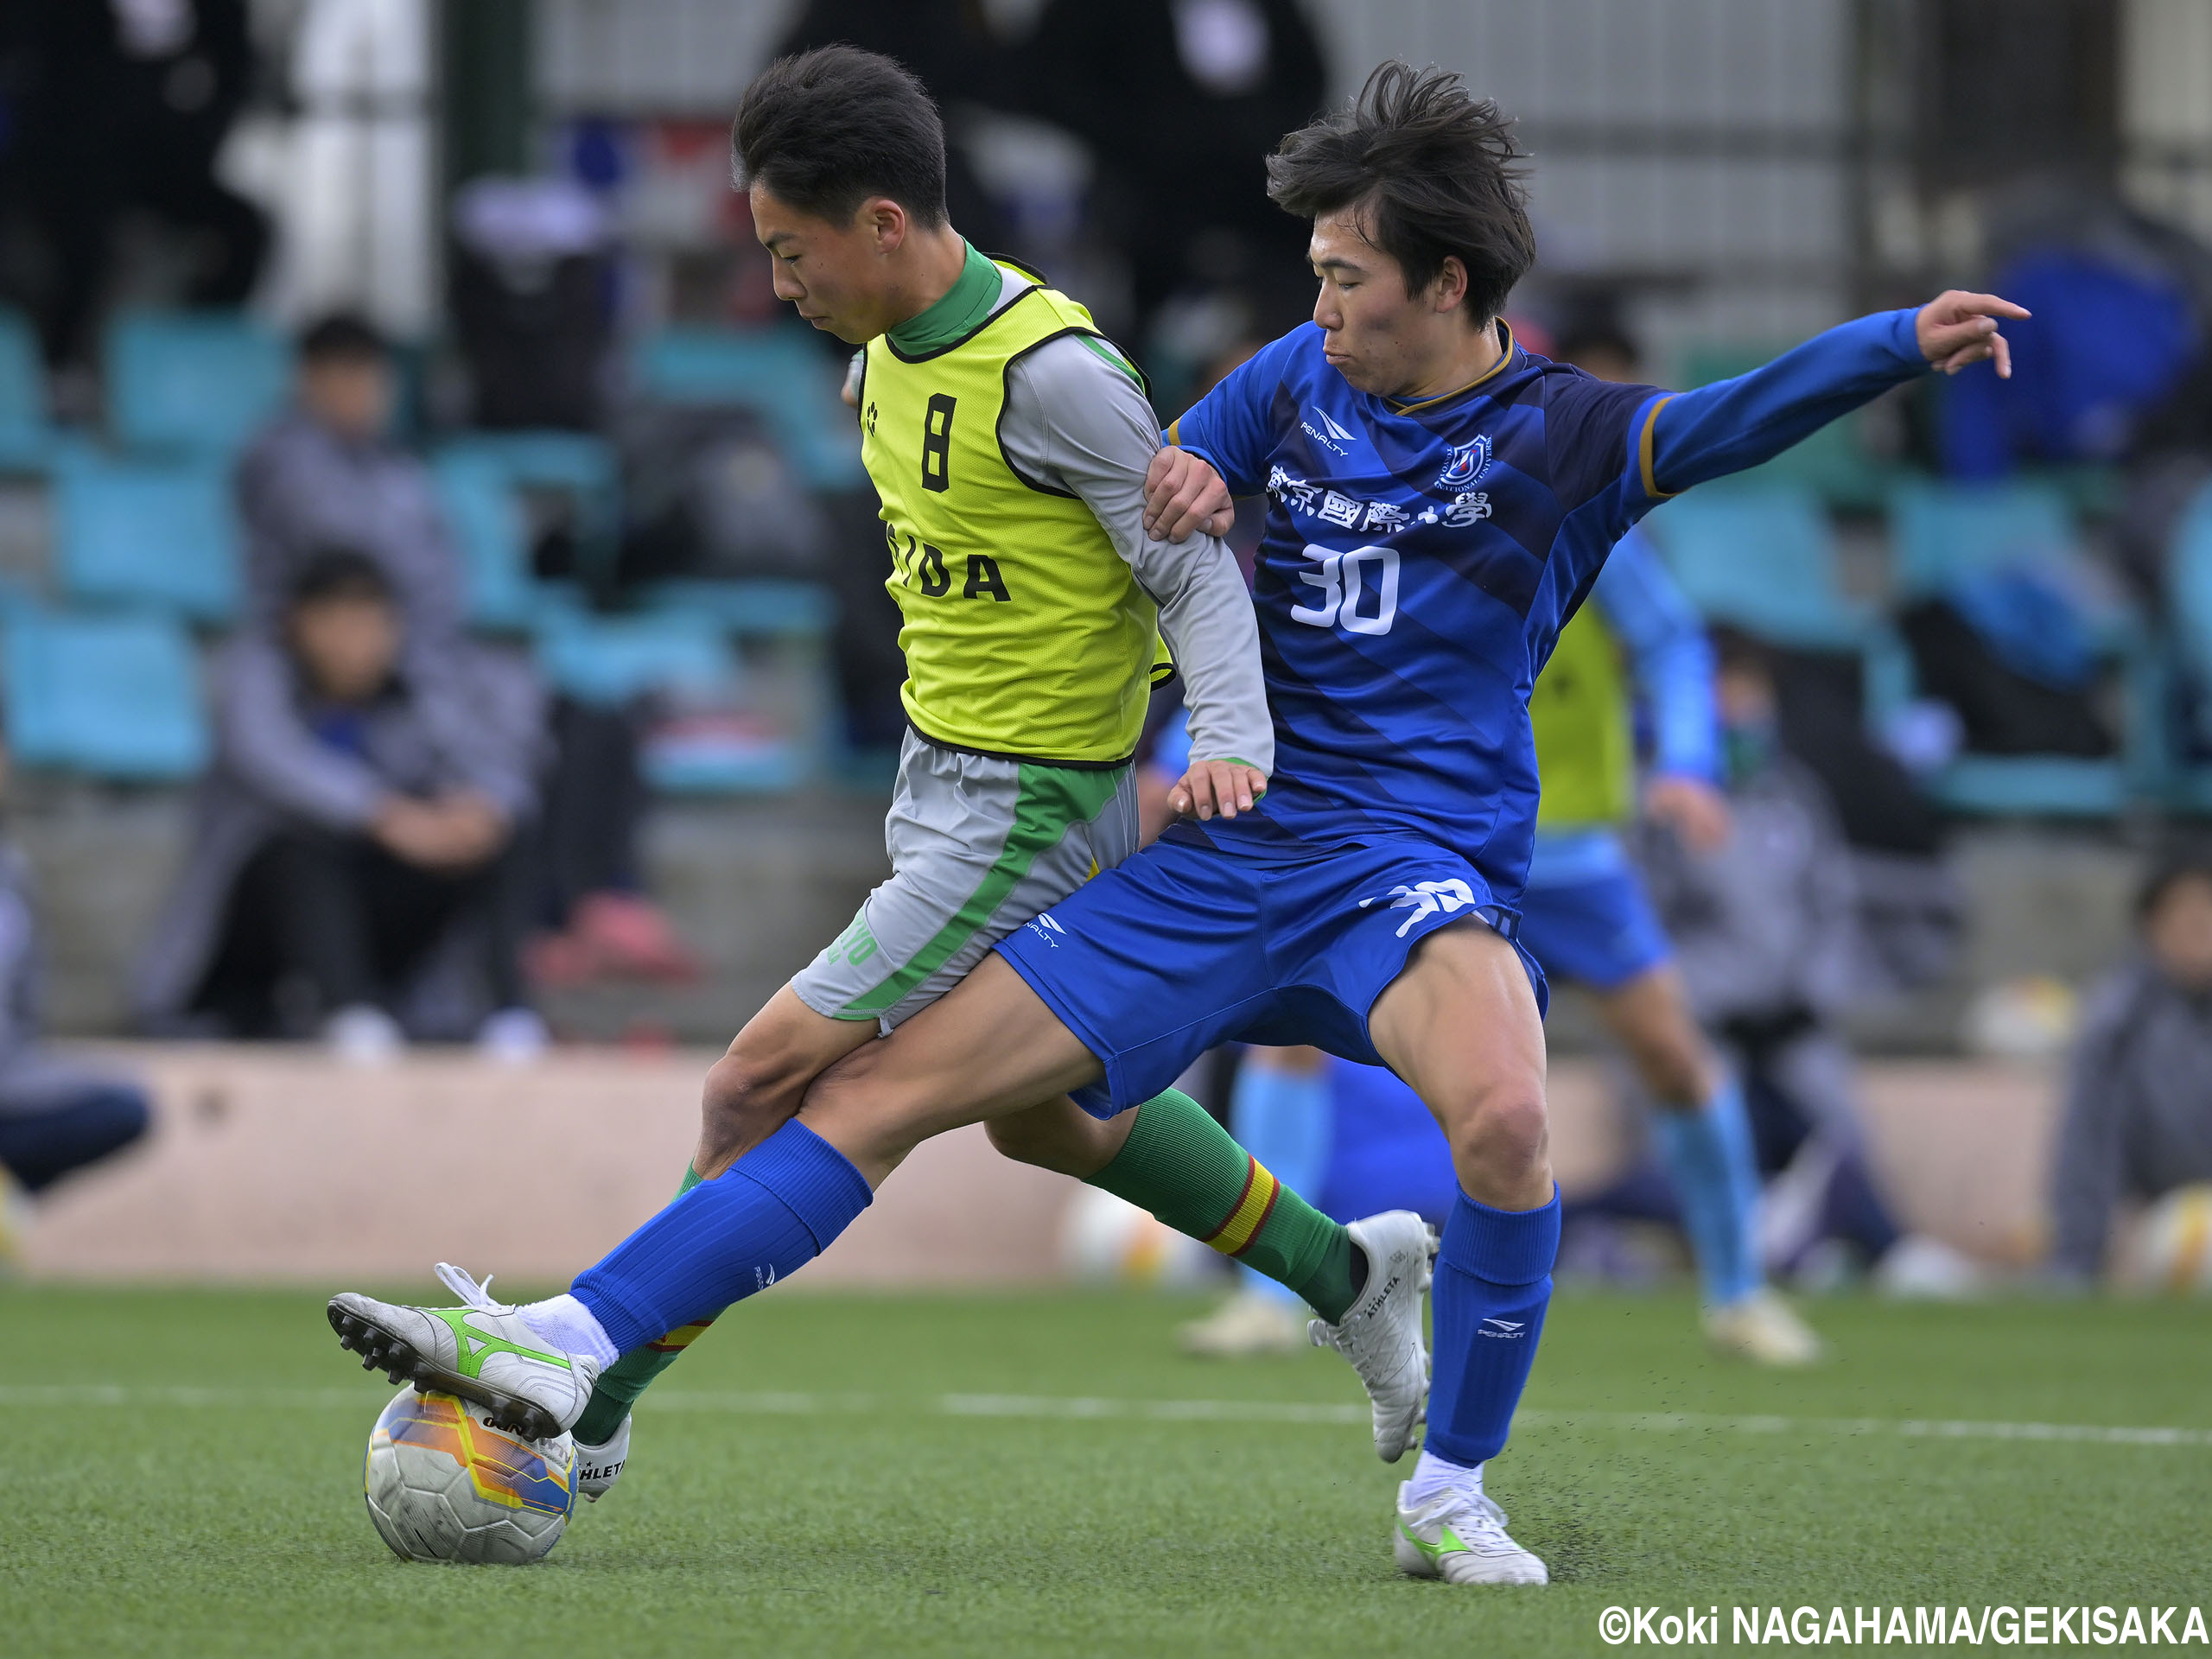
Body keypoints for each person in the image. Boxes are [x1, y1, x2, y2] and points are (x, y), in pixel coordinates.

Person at [322, 61, 2025, 1586]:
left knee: (1505, 1127)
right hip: (1221, 854)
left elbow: (1727, 427)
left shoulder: (1563, 435)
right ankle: (576, 1342)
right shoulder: (1286, 384)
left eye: (1345, 278)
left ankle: (1449, 1491)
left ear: (1443, 284)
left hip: (1406, 866)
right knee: (894, 1097)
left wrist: (1896, 342)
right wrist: (1175, 504)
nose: (1319, 304)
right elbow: (1158, 506)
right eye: (1313, 277)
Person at [332, 47, 1432, 1503]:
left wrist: (1231, 740)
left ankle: (585, 1390)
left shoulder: (1056, 376)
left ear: (885, 226)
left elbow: (1190, 569)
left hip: (1033, 806)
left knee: (761, 1077)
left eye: (791, 251)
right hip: (948, 794)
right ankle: (1346, 1271)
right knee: (1050, 1114)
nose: (779, 283)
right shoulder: (875, 363)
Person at [1182, 492, 1821, 1363]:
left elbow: (1671, 642)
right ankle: (1263, 1300)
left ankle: (1740, 1293)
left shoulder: (1570, 516)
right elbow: (1289, 654)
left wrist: (1686, 763)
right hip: (1418, 841)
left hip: (1567, 852)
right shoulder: (1375, 514)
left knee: (1670, 1051)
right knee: (1287, 1037)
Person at [135, 550, 541, 1061]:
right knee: (300, 854)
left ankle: (512, 1020)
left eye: (371, 622)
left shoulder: (416, 696)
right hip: (252, 931)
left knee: (495, 835)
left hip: (374, 911)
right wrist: (388, 816)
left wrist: (474, 814)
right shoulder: (253, 680)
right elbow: (276, 766)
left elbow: (489, 769)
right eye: (337, 621)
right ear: (297, 624)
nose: (355, 642)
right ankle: (351, 1017)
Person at [0, 728, 152, 1264]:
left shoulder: (12, 872)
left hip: (4, 1085)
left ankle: (5, 1199)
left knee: (121, 1107)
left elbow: (23, 1005)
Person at [2048, 846, 2212, 1283]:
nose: (2199, 927)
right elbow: (2087, 1147)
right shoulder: (2118, 1021)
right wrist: (2077, 1261)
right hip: (2162, 1224)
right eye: (2183, 913)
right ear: (2151, 926)